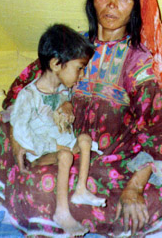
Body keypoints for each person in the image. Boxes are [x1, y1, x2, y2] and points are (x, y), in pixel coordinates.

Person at [0, 0, 162, 237]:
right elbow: (22, 90)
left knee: (161, 196)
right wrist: (17, 141)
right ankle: (58, 205)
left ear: (136, 8)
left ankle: (56, 209)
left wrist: (133, 188)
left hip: (114, 162)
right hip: (60, 150)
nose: (110, 5)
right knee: (19, 145)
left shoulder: (138, 62)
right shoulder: (71, 46)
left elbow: (156, 132)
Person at [9, 24, 105, 236]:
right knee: (64, 156)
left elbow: (63, 98)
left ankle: (81, 190)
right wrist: (41, 147)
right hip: (41, 151)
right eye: (79, 68)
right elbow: (19, 128)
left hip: (61, 141)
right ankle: (62, 212)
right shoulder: (29, 96)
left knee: (85, 139)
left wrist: (67, 104)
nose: (81, 75)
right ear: (56, 64)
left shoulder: (61, 88)